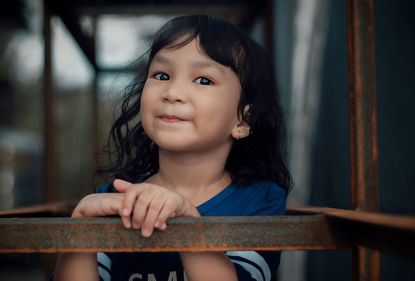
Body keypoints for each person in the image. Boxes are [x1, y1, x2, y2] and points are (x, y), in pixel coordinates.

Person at [53, 14, 292, 281]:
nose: (172, 91)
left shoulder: (258, 200)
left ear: (243, 121)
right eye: (162, 75)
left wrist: (187, 220)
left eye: (203, 80)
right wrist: (79, 225)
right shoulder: (114, 200)